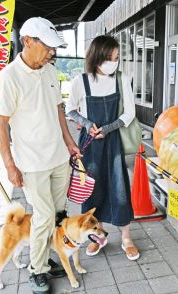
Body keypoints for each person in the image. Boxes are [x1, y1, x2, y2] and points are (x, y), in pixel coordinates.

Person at [0, 17, 81, 294]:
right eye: (48, 47)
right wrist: (9, 165)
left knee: (56, 214)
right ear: (28, 41)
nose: (51, 52)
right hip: (32, 162)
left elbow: (58, 110)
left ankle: (44, 259)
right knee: (43, 217)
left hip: (58, 158)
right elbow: (0, 124)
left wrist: (69, 142)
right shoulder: (9, 77)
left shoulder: (50, 71)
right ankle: (36, 270)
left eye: (54, 48)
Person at [65, 35, 139, 261]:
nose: (113, 62)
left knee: (119, 189)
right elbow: (70, 109)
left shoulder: (121, 79)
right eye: (109, 57)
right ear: (96, 56)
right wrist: (88, 124)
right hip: (90, 145)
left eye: (116, 58)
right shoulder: (81, 80)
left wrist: (107, 129)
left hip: (113, 141)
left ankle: (126, 238)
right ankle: (97, 238)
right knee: (92, 192)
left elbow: (129, 113)